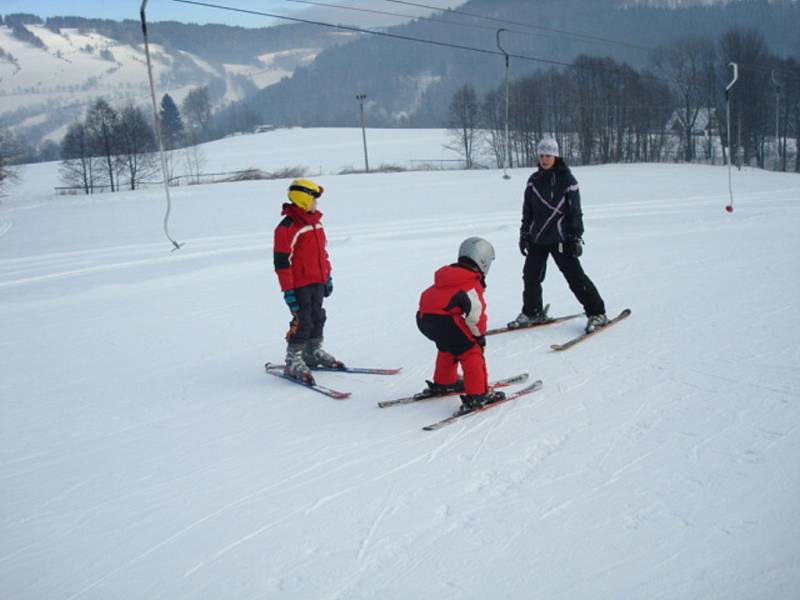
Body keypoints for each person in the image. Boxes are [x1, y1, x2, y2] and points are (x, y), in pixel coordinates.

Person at [509, 137, 608, 334]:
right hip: (538, 238)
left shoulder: (567, 180)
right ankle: (532, 312)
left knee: (575, 277)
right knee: (530, 276)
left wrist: (575, 237)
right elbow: (527, 211)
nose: (544, 159)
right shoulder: (533, 181)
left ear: (556, 156)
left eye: (549, 155)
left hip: (562, 238)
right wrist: (524, 233)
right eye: (542, 155)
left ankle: (597, 312)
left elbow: (576, 211)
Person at [416, 237, 505, 414]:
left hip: (424, 318)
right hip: (443, 320)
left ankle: (445, 382)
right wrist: (479, 337)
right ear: (483, 261)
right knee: (471, 351)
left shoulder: (448, 275)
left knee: (448, 346)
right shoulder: (470, 283)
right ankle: (478, 395)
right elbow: (476, 316)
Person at [273, 178, 342, 383]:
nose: (316, 204)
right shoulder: (287, 227)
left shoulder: (316, 223)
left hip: (317, 281)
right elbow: (282, 263)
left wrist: (327, 276)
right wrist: (289, 291)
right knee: (303, 320)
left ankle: (312, 352)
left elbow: (322, 253)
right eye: (313, 199)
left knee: (318, 316)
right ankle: (293, 359)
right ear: (303, 199)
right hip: (299, 284)